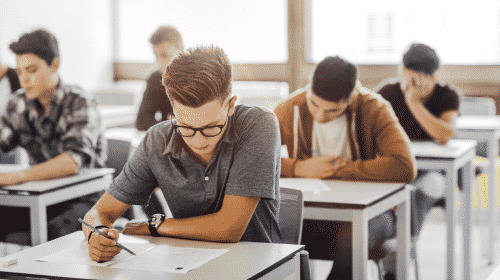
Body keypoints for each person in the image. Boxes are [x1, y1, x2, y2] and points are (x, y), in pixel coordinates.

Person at [83, 45, 281, 263]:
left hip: (256, 265)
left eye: (211, 127)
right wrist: (96, 234)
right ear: (173, 109)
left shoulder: (258, 123)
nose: (198, 141)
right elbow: (97, 213)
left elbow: (228, 229)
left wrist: (156, 226)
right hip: (187, 264)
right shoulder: (157, 139)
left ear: (231, 105)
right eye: (185, 127)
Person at [274, 56, 416, 279]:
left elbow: (404, 166)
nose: (320, 115)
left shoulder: (374, 108)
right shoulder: (293, 106)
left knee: (352, 238)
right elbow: (253, 159)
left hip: (372, 215)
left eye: (333, 111)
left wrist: (339, 170)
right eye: (314, 104)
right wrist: (298, 168)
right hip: (314, 213)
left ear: (351, 98)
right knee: (271, 231)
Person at [0, 29, 106, 243]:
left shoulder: (80, 101)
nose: (24, 80)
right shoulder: (18, 103)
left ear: (54, 65)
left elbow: (71, 162)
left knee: (56, 230)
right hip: (41, 197)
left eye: (31, 70)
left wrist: (16, 177)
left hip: (86, 199)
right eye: (19, 72)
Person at [376, 43, 460, 279]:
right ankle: (398, 249)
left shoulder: (447, 95)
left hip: (434, 172)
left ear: (434, 77)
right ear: (402, 71)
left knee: (424, 187)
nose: (416, 85)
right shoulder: (387, 92)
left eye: (423, 79)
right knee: (398, 191)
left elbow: (444, 135)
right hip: (398, 170)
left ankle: (397, 257)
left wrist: (414, 103)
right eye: (411, 78)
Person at [135, 26, 183, 131]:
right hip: (171, 140)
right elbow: (142, 121)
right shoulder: (156, 79)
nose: (159, 63)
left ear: (181, 51)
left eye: (164, 55)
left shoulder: (199, 78)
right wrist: (172, 123)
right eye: (156, 56)